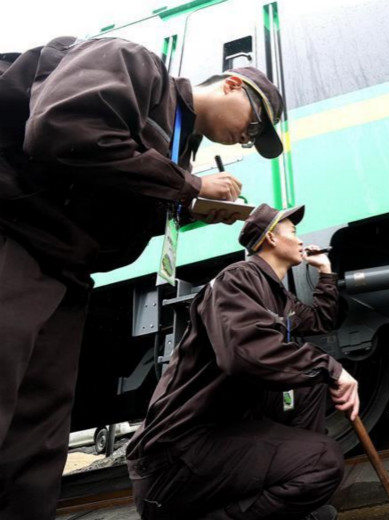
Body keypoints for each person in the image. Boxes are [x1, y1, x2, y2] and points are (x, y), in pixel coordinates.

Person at [0, 35, 285, 519]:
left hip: (67, 274)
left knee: (38, 438)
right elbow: (61, 127)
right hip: (14, 241)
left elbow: (111, 194)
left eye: (254, 142)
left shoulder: (180, 149)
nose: (247, 140)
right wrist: (189, 186)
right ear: (233, 84)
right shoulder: (136, 65)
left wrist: (191, 207)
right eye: (254, 126)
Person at [126, 203, 357, 520]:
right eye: (292, 230)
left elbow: (320, 320)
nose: (300, 239)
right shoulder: (236, 280)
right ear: (271, 239)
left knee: (308, 387)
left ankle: (294, 478)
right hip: (175, 459)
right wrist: (334, 370)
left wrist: (326, 271)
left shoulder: (277, 296)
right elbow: (246, 354)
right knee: (324, 461)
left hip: (211, 439)